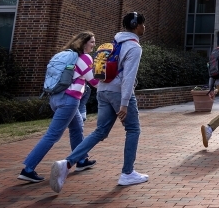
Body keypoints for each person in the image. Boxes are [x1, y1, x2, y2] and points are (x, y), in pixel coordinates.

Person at [50, 12, 146, 192]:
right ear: (136, 25)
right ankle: (127, 173)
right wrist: (125, 103)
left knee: (100, 131)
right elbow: (128, 77)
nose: (144, 27)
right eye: (142, 24)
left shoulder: (115, 42)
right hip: (119, 93)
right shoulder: (134, 47)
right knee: (133, 129)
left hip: (102, 90)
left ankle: (67, 163)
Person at [18, 32, 98, 183]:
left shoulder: (67, 55)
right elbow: (94, 82)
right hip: (69, 100)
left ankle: (81, 160)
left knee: (77, 126)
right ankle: (28, 169)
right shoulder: (84, 58)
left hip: (55, 98)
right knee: (52, 135)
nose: (93, 45)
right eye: (92, 42)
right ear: (83, 43)